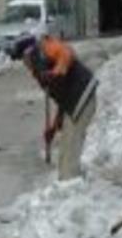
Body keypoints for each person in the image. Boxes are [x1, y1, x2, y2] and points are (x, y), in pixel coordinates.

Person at [11, 34, 98, 181]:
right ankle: (67, 183)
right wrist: (54, 126)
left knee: (71, 147)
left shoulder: (45, 48)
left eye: (22, 58)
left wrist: (57, 72)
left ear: (28, 52)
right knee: (65, 149)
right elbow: (62, 100)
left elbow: (66, 53)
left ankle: (72, 187)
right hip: (74, 102)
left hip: (83, 95)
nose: (23, 64)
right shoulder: (39, 69)